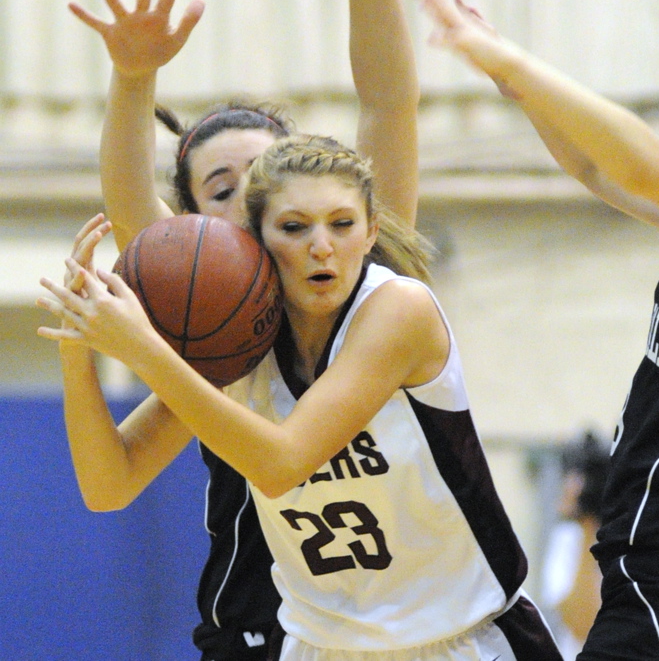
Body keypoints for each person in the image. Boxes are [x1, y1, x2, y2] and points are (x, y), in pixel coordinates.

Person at [64, 0, 420, 660]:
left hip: (414, 630)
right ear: (189, 223)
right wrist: (133, 76)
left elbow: (386, 105)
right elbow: (109, 482)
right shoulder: (215, 342)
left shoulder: (373, 279)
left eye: (270, 181)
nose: (253, 206)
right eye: (223, 191)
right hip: (261, 630)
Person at [37, 134, 564, 661]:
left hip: (462, 640)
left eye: (342, 224)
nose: (321, 246)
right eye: (294, 227)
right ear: (256, 240)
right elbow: (109, 485)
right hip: (319, 646)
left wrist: (145, 349)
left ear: (371, 231)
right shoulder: (236, 337)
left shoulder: (398, 311)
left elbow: (282, 462)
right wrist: (76, 345)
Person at [405, 0, 659, 661]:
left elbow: (644, 166)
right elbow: (598, 169)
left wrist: (512, 61)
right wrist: (517, 86)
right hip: (656, 580)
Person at [540, 432, 610, 661]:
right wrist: (587, 525)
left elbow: (587, 625)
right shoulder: (568, 538)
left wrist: (592, 521)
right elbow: (579, 626)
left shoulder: (626, 537)